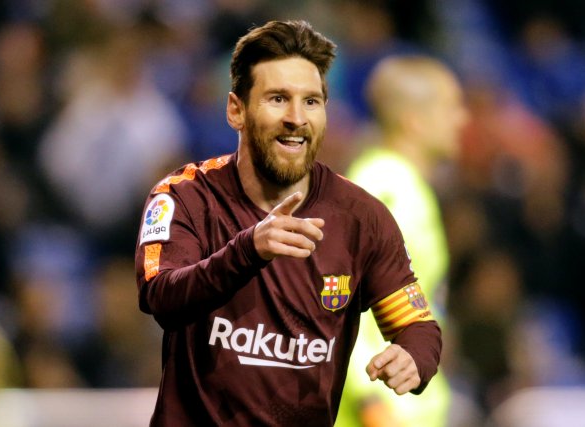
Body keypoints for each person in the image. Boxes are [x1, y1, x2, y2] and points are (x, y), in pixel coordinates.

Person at [134, 20, 442, 426]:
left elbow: (417, 325)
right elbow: (161, 297)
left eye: (311, 102)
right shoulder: (185, 196)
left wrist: (412, 358)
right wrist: (248, 249)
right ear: (236, 110)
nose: (297, 118)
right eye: (278, 99)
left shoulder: (361, 216)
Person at [338, 56, 469, 427]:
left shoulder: (404, 187)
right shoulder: (384, 191)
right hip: (382, 414)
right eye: (451, 107)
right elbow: (343, 303)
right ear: (414, 120)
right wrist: (372, 406)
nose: (462, 119)